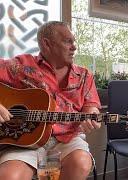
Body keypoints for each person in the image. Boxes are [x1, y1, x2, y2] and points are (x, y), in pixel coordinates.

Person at [0, 21, 101, 180]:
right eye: (67, 41)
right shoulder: (21, 66)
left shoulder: (84, 75)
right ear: (47, 44)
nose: (74, 47)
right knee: (9, 176)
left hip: (68, 139)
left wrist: (91, 115)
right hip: (24, 141)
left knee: (81, 163)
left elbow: (91, 106)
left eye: (73, 41)